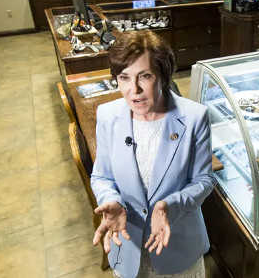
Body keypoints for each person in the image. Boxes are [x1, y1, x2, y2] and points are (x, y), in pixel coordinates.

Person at [91, 30, 214, 278]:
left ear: (163, 76)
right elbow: (102, 177)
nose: (133, 90)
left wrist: (170, 205)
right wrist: (111, 199)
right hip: (127, 246)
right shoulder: (107, 115)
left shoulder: (194, 117)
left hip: (177, 248)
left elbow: (205, 180)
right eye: (124, 78)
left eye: (144, 76)